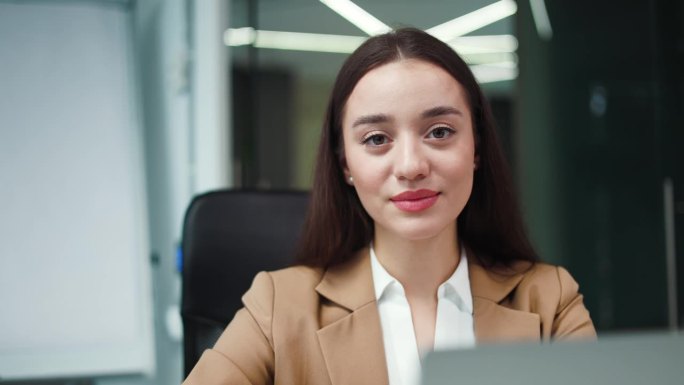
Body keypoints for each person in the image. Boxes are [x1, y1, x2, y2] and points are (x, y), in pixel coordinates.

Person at [183, 27, 596, 385]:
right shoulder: (278, 305)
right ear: (345, 164)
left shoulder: (549, 300)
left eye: (439, 131)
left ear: (476, 149)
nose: (411, 166)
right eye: (377, 139)